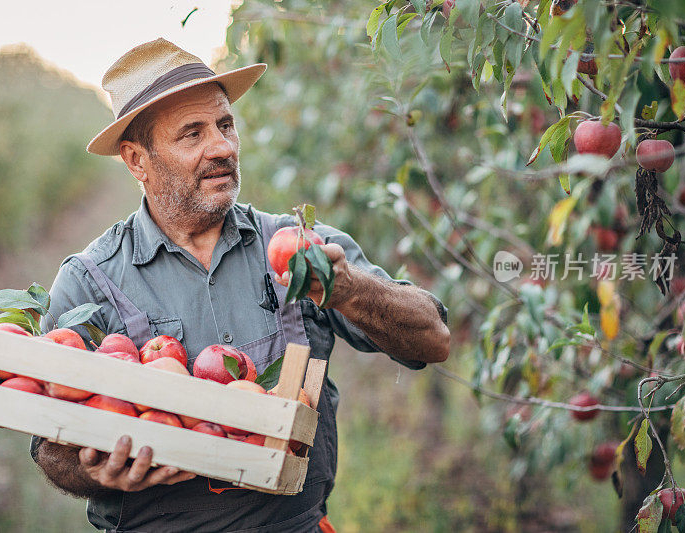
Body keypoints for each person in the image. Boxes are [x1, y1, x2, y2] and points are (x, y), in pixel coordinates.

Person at [30, 38, 451, 532]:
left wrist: (350, 289)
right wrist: (89, 467)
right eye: (192, 134)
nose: (223, 147)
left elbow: (434, 339)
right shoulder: (90, 282)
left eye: (225, 124)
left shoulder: (297, 248)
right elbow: (47, 447)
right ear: (136, 160)